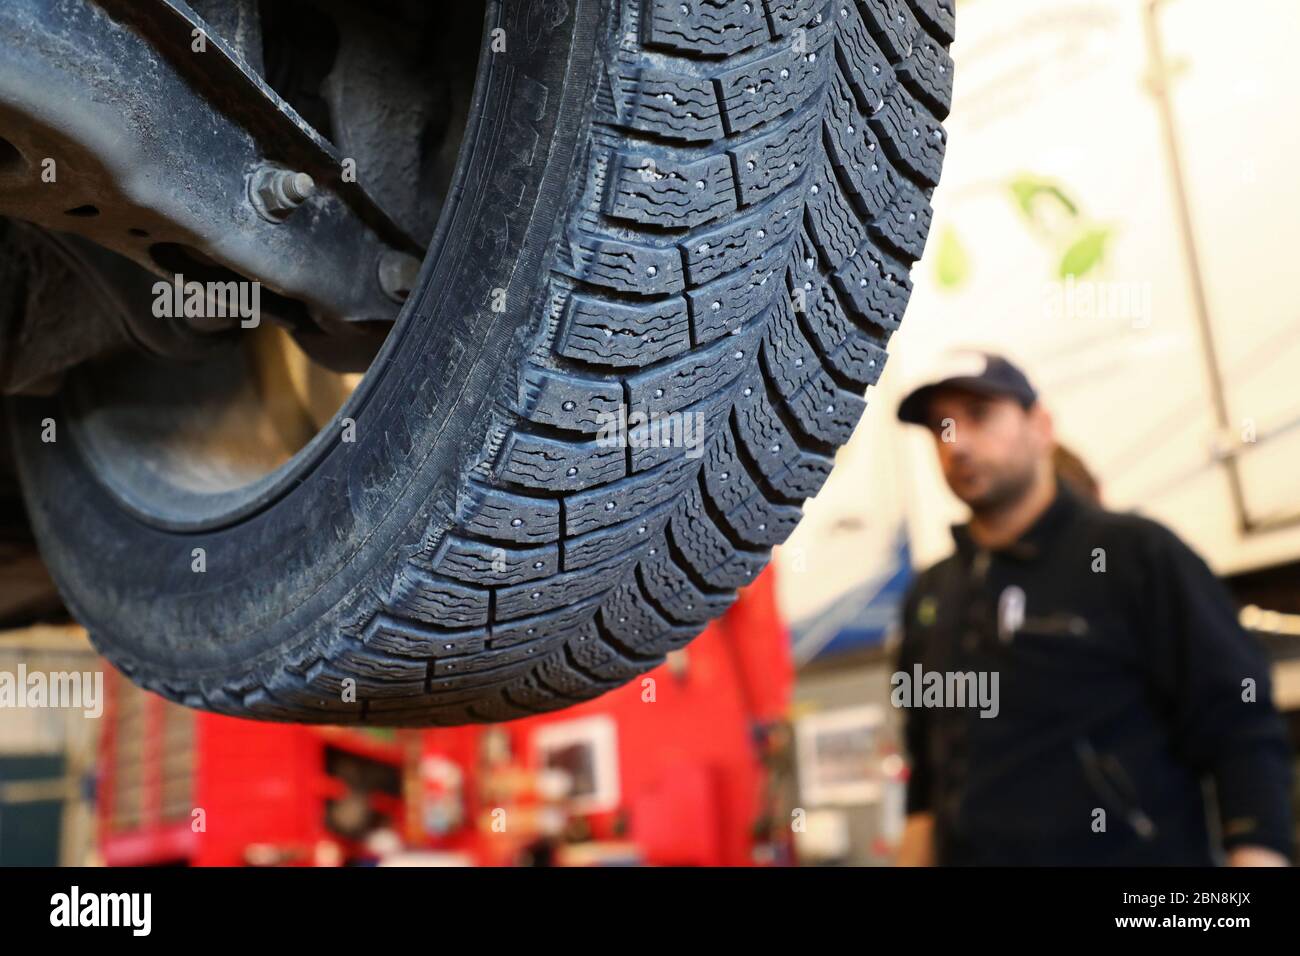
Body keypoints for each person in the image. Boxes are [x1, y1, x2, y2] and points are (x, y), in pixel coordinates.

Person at [892, 350, 1293, 866]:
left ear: (1040, 426)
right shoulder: (930, 594)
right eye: (940, 426)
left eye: (979, 415)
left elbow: (1242, 730)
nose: (957, 443)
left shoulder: (1138, 554)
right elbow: (925, 783)